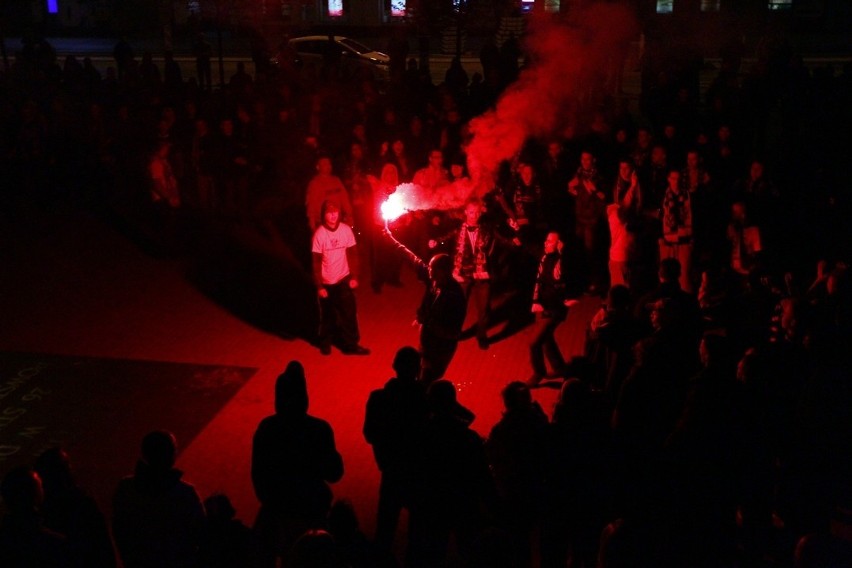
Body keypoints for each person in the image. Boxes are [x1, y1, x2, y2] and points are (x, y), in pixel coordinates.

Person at [251, 361, 344, 567]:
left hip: (278, 509)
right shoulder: (319, 428)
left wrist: (272, 501)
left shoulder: (268, 428)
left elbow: (258, 474)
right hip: (312, 509)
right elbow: (335, 473)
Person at [363, 346, 429, 559]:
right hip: (418, 472)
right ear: (417, 369)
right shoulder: (425, 397)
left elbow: (369, 434)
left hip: (391, 471)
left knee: (385, 530)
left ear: (394, 366)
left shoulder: (378, 398)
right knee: (418, 535)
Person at [431, 197, 519, 350]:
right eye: (471, 212)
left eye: (476, 213)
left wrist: (514, 242)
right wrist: (436, 242)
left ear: (480, 213)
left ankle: (481, 335)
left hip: (482, 273)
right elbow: (446, 237)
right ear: (466, 212)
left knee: (484, 308)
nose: (474, 215)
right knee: (459, 306)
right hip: (463, 273)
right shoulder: (459, 230)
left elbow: (501, 239)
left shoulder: (486, 229)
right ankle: (454, 333)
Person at [112, 430, 206, 568]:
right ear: (172, 455)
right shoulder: (185, 493)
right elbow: (201, 534)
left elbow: (120, 530)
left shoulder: (126, 489)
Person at [385, 229, 467, 382]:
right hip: (427, 341)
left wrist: (427, 322)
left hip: (441, 349)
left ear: (444, 272)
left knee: (428, 379)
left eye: (432, 269)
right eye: (429, 268)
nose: (429, 271)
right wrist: (390, 238)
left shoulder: (456, 298)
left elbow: (453, 333)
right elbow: (412, 259)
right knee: (420, 371)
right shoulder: (434, 280)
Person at [312, 199, 369, 355]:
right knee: (328, 315)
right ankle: (324, 342)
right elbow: (316, 262)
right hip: (327, 282)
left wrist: (354, 276)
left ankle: (351, 345)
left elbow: (354, 254)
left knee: (349, 314)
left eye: (335, 212)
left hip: (344, 279)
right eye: (329, 213)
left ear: (339, 214)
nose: (332, 216)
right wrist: (319, 286)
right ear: (324, 215)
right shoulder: (319, 234)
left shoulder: (346, 230)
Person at [527, 231, 578, 386]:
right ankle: (560, 368)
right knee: (546, 339)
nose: (546, 243)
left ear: (559, 244)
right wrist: (535, 300)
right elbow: (539, 280)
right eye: (546, 240)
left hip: (555, 307)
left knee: (534, 342)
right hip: (542, 305)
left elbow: (565, 274)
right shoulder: (545, 257)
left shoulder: (564, 260)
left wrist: (563, 253)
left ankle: (538, 372)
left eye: (550, 241)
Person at [568, 151, 607, 294]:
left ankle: (595, 282)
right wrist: (570, 188)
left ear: (593, 160)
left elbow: (604, 197)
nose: (585, 161)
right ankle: (583, 282)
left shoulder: (598, 176)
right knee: (580, 251)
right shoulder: (578, 174)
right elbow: (574, 192)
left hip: (592, 219)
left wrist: (594, 190)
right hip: (579, 218)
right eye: (583, 159)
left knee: (591, 251)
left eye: (588, 159)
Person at [305, 156, 353, 231]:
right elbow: (311, 204)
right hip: (322, 224)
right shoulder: (315, 183)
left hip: (338, 222)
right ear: (318, 167)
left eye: (329, 164)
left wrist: (349, 215)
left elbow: (345, 199)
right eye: (324, 164)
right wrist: (312, 223)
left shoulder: (336, 180)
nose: (328, 166)